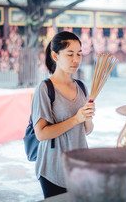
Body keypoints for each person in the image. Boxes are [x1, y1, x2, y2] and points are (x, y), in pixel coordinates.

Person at [30, 31, 95, 199]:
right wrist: (76, 119)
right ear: (55, 55)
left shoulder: (81, 87)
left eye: (79, 54)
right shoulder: (45, 89)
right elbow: (41, 134)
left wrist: (87, 117)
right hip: (54, 168)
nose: (76, 59)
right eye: (70, 54)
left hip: (80, 165)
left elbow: (86, 130)